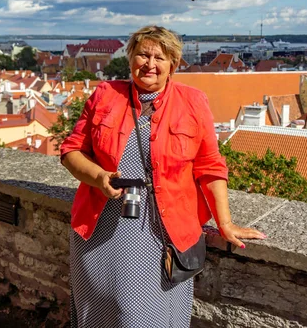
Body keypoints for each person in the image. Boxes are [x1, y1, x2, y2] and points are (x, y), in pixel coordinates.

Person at [60, 25, 266, 327]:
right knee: (96, 305)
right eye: (143, 54)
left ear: (173, 64)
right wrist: (99, 177)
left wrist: (225, 223)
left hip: (160, 230)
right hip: (101, 225)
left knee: (139, 314)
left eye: (160, 57)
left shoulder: (193, 101)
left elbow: (210, 166)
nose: (150, 64)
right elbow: (71, 150)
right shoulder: (106, 95)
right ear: (131, 58)